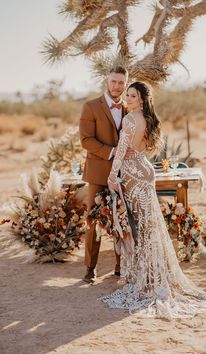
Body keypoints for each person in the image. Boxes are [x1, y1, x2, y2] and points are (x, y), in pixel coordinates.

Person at [103, 81, 206, 319]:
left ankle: (148, 280)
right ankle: (152, 275)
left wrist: (113, 175)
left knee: (142, 227)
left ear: (142, 99)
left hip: (133, 171)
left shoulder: (130, 120)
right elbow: (142, 148)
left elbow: (123, 150)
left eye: (132, 96)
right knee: (149, 225)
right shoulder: (149, 118)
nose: (128, 98)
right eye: (128, 95)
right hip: (145, 169)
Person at [79, 65, 129, 283]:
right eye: (113, 81)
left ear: (125, 84)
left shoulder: (130, 107)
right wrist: (112, 152)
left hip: (124, 174)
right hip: (98, 172)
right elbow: (86, 140)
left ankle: (120, 266)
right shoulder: (90, 107)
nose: (117, 86)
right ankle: (90, 268)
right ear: (106, 82)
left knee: (122, 218)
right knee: (93, 220)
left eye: (121, 82)